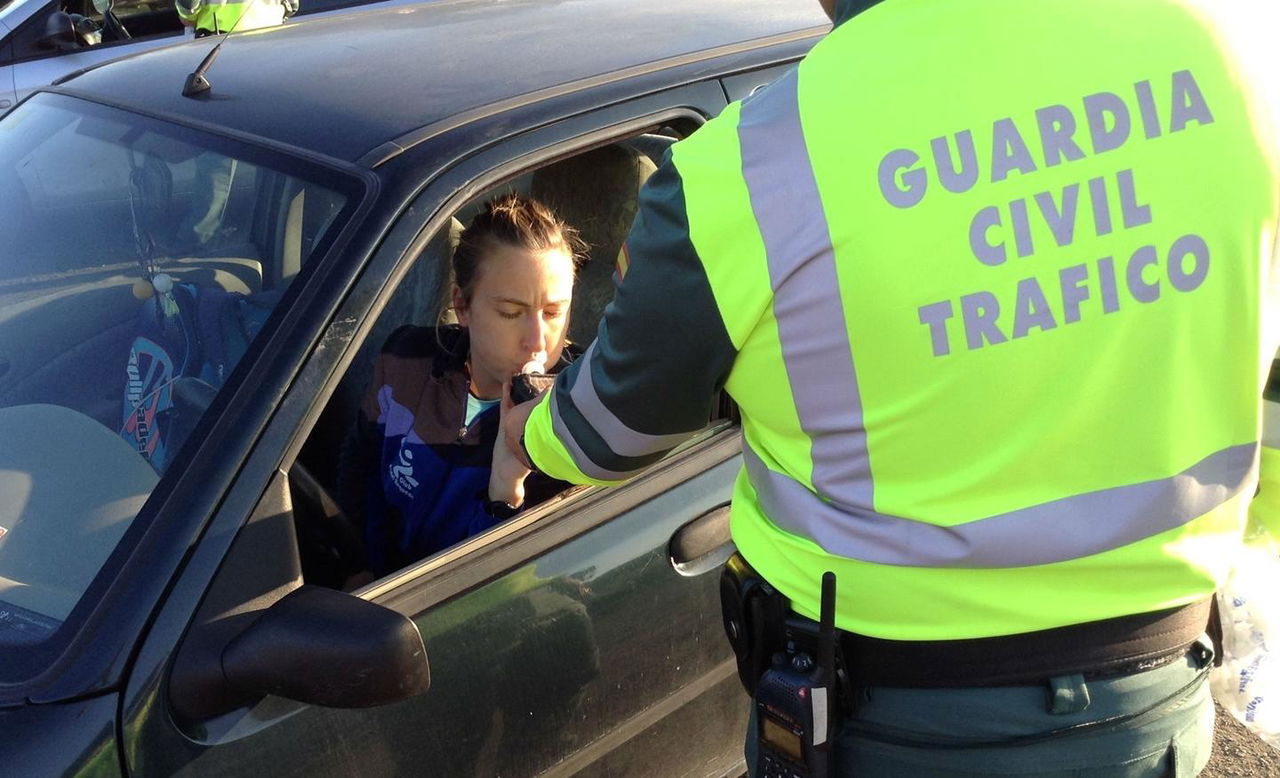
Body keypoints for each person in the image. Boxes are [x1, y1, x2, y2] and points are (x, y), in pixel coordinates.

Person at [497, 0, 1280, 774]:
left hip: (893, 726)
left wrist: (524, 431)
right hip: (1153, 707)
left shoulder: (749, 163)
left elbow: (607, 434)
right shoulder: (1230, 54)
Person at [343, 193, 581, 580]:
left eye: (554, 313)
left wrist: (506, 490)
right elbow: (361, 466)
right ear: (463, 305)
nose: (538, 341)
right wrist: (359, 567)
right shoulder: (405, 361)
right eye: (510, 313)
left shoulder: (572, 422)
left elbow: (506, 588)